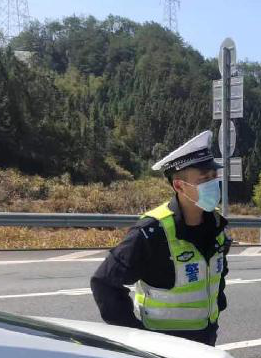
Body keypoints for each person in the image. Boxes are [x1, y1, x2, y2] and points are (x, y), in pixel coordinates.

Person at [90, 130, 230, 346]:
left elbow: (217, 273)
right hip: (162, 347)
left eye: (214, 176)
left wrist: (217, 306)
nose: (213, 184)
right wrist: (134, 335)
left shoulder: (216, 224)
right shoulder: (151, 231)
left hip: (205, 341)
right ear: (179, 186)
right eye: (204, 179)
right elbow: (104, 283)